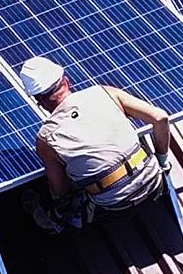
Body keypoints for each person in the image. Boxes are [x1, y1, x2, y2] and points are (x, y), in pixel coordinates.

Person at [16, 56, 173, 233]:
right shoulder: (104, 92)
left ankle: (53, 223)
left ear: (40, 102)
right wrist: (162, 161)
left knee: (65, 201)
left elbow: (61, 191)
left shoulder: (45, 139)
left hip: (117, 208)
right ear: (66, 81)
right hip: (155, 183)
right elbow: (160, 118)